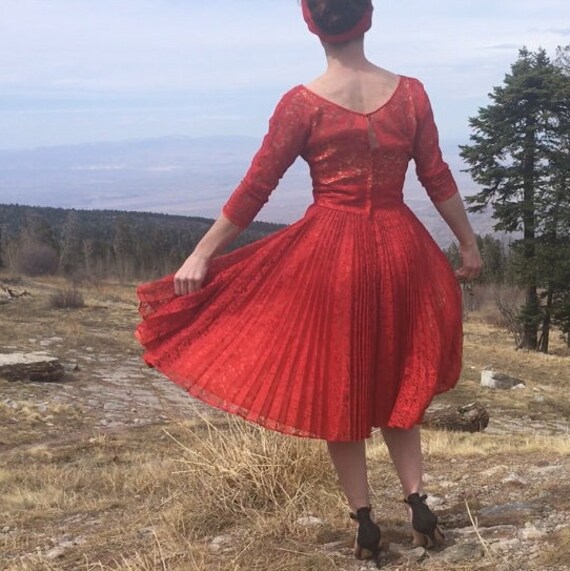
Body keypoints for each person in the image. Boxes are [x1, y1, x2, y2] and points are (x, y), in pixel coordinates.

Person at [135, 0, 482, 562]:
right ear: (367, 19)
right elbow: (436, 175)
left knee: (341, 386)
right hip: (402, 250)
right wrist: (467, 242)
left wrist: (200, 254)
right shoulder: (413, 93)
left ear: (311, 24)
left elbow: (255, 188)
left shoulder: (301, 104)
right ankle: (417, 501)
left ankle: (365, 522)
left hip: (332, 258)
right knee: (398, 378)